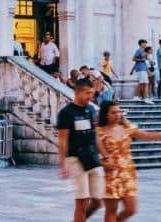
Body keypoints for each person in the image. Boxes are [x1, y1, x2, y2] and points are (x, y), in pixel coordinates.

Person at [96, 101, 161, 221]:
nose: (117, 114)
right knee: (111, 210)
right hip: (110, 174)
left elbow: (149, 135)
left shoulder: (127, 128)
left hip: (127, 173)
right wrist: (103, 163)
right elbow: (92, 154)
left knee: (131, 209)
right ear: (105, 114)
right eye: (113, 112)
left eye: (119, 111)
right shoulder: (99, 132)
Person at [57, 78, 104, 222]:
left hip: (92, 156)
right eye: (87, 93)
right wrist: (63, 163)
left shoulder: (90, 109)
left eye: (92, 93)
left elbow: (95, 134)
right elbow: (63, 139)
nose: (91, 96)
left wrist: (105, 154)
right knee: (82, 202)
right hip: (75, 158)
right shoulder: (66, 113)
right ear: (77, 92)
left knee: (97, 201)